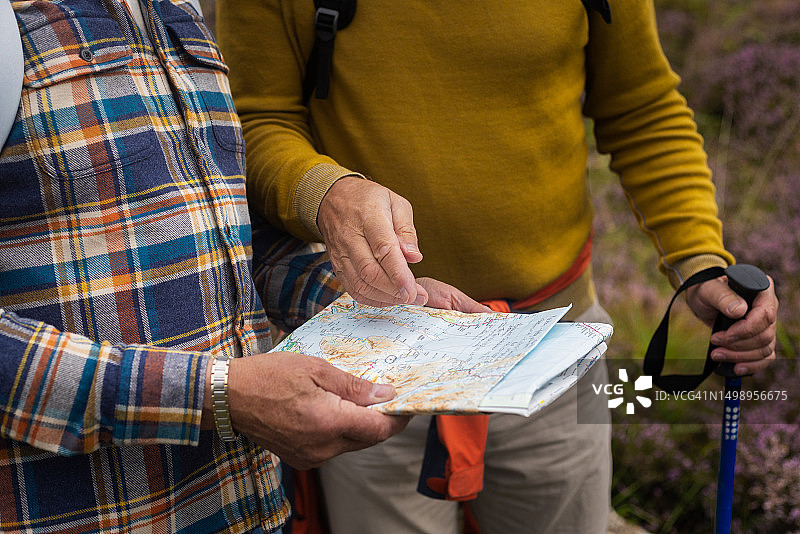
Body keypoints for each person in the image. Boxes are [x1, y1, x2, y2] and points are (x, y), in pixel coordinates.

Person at [217, 1, 780, 533]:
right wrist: (325, 191)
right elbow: (254, 118)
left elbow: (642, 107)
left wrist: (699, 261)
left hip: (557, 345)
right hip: (370, 353)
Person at [0, 1, 488, 533]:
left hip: (247, 509)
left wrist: (376, 305)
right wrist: (216, 395)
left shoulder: (174, 9)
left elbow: (224, 245)